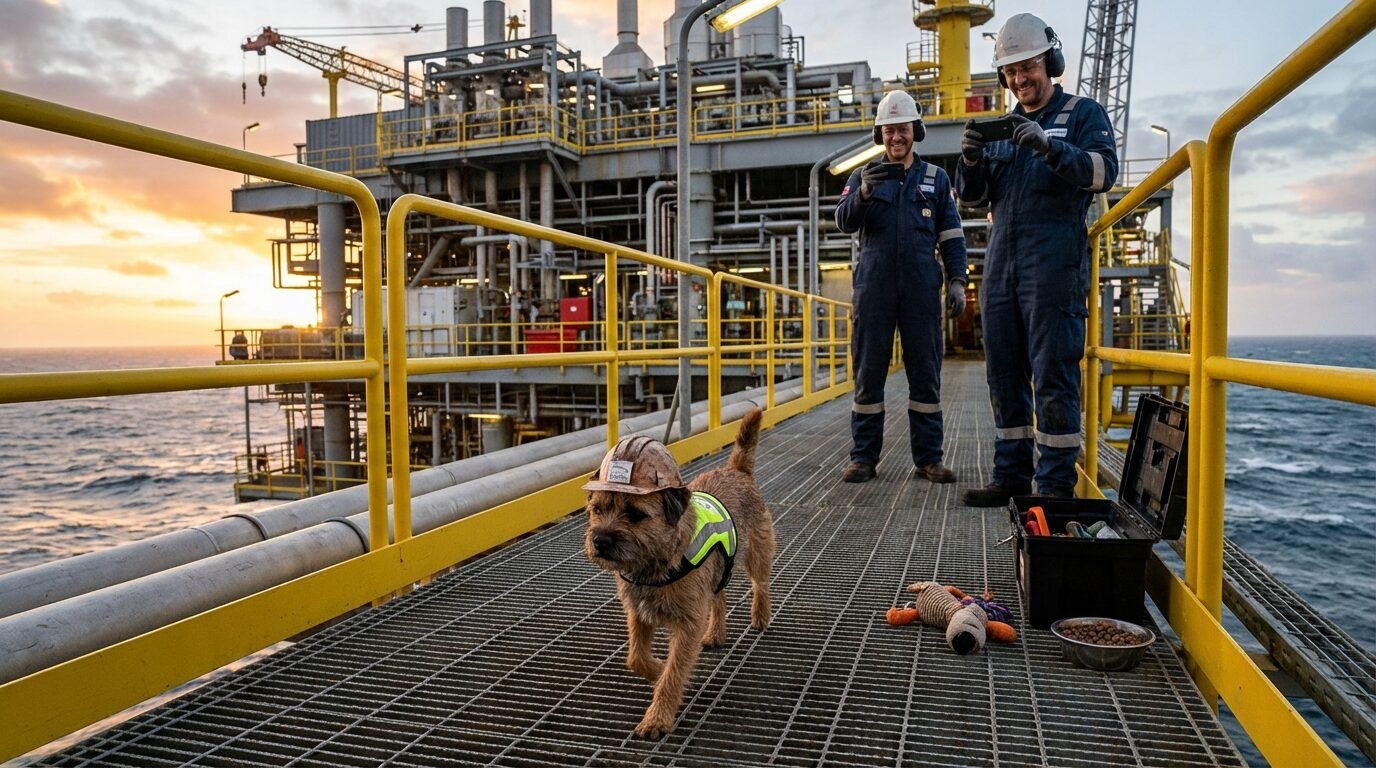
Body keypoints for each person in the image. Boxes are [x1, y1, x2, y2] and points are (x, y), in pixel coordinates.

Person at [956, 13, 1119, 506]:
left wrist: (1051, 147)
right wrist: (967, 159)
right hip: (1001, 267)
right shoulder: (1003, 127)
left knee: (1053, 375)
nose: (1020, 80)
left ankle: (1051, 489)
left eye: (1027, 67)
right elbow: (972, 197)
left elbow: (1103, 171)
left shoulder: (1084, 114)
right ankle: (1010, 478)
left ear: (1050, 61)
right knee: (1002, 373)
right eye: (1010, 72)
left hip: (1053, 268)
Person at [834, 90, 968, 484]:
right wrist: (862, 194)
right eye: (889, 130)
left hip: (921, 290)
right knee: (868, 372)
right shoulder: (864, 176)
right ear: (881, 134)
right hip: (873, 290)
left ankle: (929, 459)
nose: (896, 138)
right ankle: (863, 458)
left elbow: (952, 237)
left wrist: (958, 282)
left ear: (916, 131)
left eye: (903, 130)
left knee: (925, 372)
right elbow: (843, 221)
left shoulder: (936, 179)